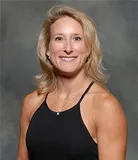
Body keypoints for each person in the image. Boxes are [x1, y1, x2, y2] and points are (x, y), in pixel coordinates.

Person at [17, 5, 127, 160]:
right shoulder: (31, 103)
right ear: (47, 49)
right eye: (59, 39)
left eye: (77, 38)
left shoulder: (105, 107)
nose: (68, 48)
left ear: (88, 49)